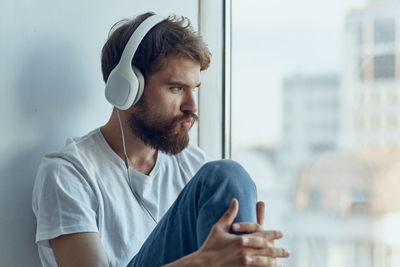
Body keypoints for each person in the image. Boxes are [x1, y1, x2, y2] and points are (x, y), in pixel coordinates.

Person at [32, 12, 290, 267]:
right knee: (225, 173)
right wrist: (202, 262)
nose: (192, 106)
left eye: (194, 89)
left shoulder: (192, 165)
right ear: (128, 89)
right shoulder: (69, 173)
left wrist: (250, 254)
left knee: (232, 178)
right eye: (177, 88)